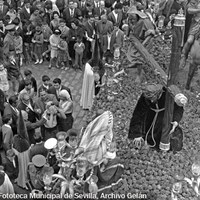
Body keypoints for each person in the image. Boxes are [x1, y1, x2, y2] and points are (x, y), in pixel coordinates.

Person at [128, 83, 187, 151]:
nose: (151, 100)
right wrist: (137, 134)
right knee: (147, 132)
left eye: (152, 97)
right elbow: (138, 113)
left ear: (159, 93)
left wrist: (176, 121)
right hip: (150, 115)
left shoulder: (169, 95)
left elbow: (179, 108)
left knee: (165, 134)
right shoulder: (146, 95)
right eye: (149, 98)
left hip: (165, 116)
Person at [179, 0, 200, 68]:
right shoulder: (195, 1)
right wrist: (199, 10)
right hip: (196, 24)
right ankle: (184, 56)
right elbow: (189, 10)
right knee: (189, 41)